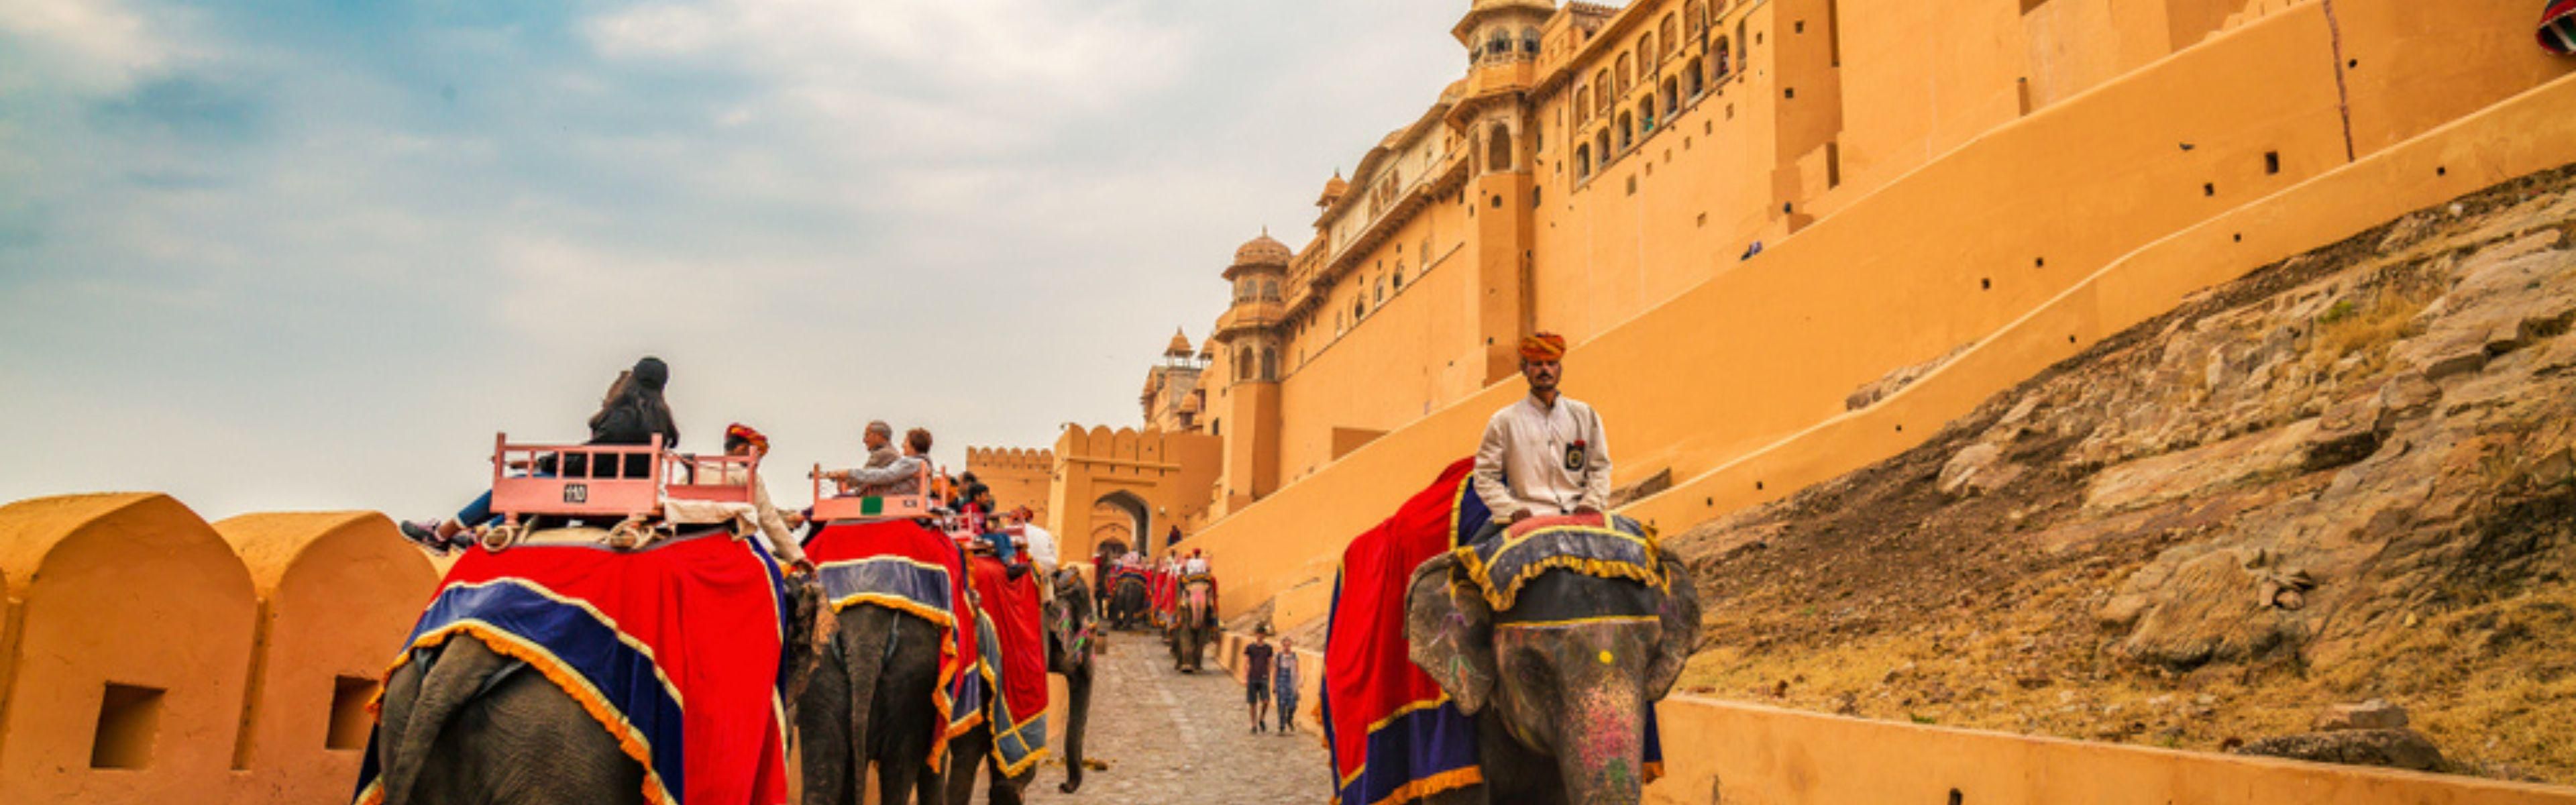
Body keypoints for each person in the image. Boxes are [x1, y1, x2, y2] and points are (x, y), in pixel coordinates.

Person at [400, 356, 680, 552]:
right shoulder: (660, 422)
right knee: (534, 482)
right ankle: (476, 537)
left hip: (597, 492)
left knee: (521, 484)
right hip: (631, 497)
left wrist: (541, 462)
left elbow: (591, 458)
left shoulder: (623, 417)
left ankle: (440, 535)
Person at [1470, 332, 1611, 540]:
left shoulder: (1585, 415)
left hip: (1579, 512)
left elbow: (1600, 467)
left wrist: (1590, 503)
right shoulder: (1504, 421)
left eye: (1551, 363)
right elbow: (1485, 476)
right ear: (1524, 369)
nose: (1545, 370)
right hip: (1525, 516)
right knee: (1464, 565)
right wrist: (1511, 509)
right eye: (1537, 364)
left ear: (1560, 369)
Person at [721, 423, 814, 574]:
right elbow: (768, 518)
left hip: (689, 539)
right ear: (743, 449)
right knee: (773, 573)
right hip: (733, 539)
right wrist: (797, 557)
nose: (758, 462)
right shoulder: (749, 476)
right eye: (758, 455)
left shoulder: (695, 471)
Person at [821, 427, 931, 496]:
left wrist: (849, 473)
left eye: (906, 442)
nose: (902, 446)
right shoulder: (925, 465)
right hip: (901, 499)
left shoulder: (910, 463)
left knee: (836, 503)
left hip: (886, 502)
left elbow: (884, 476)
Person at [1242, 625, 1277, 733]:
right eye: (1258, 633)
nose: (1260, 636)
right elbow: (1246, 663)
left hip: (1263, 677)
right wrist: (1245, 677)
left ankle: (1262, 718)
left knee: (1266, 701)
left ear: (1264, 635)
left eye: (1262, 634)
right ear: (1256, 634)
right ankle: (1253, 724)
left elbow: (1271, 663)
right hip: (1253, 676)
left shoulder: (1268, 648)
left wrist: (1272, 676)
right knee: (1253, 703)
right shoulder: (1250, 648)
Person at [1272, 636, 1301, 735]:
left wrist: (1297, 684)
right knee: (1281, 705)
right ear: (1282, 646)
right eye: (1285, 645)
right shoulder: (1278, 656)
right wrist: (1274, 685)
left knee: (1293, 704)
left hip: (1291, 681)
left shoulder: (1294, 656)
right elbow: (1275, 671)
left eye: (1288, 645)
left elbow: (1297, 671)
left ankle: (1289, 718)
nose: (1287, 647)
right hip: (1281, 682)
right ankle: (1282, 726)